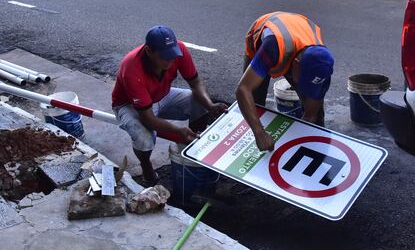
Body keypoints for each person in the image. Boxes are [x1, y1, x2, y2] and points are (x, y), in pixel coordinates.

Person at [112, 25, 227, 185]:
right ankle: (147, 169)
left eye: (172, 56)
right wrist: (177, 130)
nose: (170, 60)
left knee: (198, 102)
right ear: (148, 51)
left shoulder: (179, 50)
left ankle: (193, 151)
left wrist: (210, 105)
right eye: (164, 57)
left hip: (161, 95)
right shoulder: (131, 68)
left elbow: (195, 82)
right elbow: (148, 118)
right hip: (129, 105)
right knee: (144, 137)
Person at [236, 12, 334, 152]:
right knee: (256, 107)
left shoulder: (322, 65)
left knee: (318, 118)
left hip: (297, 40)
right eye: (302, 80)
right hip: (267, 37)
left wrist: (302, 139)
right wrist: (259, 133)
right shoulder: (273, 47)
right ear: (295, 64)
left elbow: (311, 115)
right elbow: (243, 90)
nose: (299, 84)